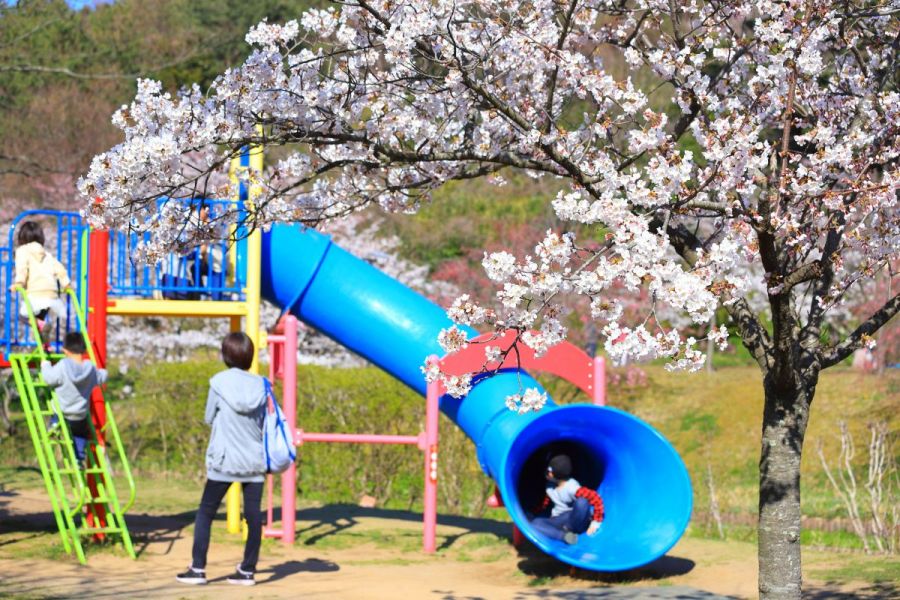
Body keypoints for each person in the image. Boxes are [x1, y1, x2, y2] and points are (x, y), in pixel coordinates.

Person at [176, 332, 267, 587]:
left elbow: (208, 417)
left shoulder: (218, 382)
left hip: (225, 460)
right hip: (254, 461)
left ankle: (198, 569)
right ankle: (248, 571)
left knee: (205, 512)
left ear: (226, 356)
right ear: (250, 356)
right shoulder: (262, 384)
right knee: (253, 517)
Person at [40, 332, 107, 467]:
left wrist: (45, 364)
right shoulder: (90, 368)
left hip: (62, 410)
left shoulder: (63, 365)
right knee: (80, 434)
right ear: (85, 349)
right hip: (79, 413)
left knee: (56, 408)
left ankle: (55, 424)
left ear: (65, 350)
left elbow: (49, 378)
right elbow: (102, 377)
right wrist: (104, 372)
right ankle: (79, 458)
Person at [8, 221, 72, 343]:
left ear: (21, 237)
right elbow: (60, 269)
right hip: (52, 295)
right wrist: (67, 284)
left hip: (36, 293)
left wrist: (19, 283)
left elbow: (22, 268)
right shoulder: (47, 254)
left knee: (23, 316)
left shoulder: (22, 251)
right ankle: (44, 344)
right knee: (39, 319)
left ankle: (43, 330)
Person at [529, 454, 604, 545]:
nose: (546, 472)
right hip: (559, 520)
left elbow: (595, 498)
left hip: (575, 519)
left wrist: (595, 522)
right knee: (535, 523)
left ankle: (568, 531)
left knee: (582, 502)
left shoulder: (572, 488)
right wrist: (534, 512)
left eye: (548, 470)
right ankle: (565, 536)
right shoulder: (550, 486)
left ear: (552, 474)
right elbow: (546, 503)